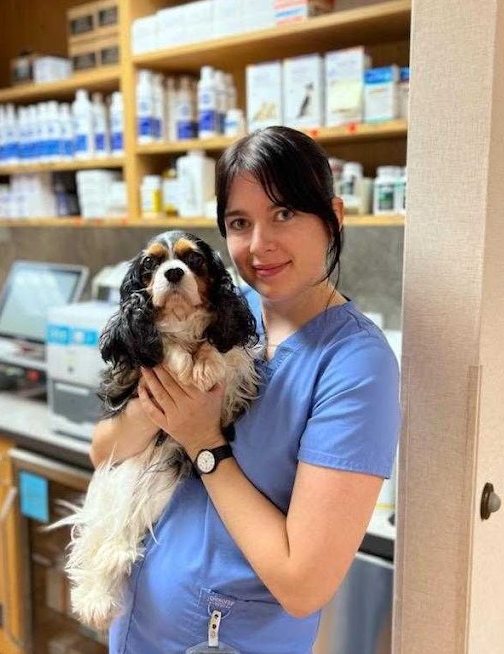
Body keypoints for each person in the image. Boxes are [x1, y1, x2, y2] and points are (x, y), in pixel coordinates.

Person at [90, 126, 401, 654]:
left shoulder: (356, 366)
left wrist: (203, 443)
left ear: (334, 216)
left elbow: (303, 585)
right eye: (239, 222)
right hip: (137, 628)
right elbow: (104, 452)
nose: (260, 245)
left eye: (284, 214)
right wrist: (154, 410)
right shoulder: (217, 319)